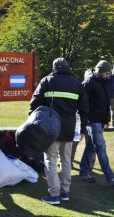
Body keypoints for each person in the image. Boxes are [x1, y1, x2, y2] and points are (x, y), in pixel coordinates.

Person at [29, 58, 88, 205]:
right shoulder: (77, 84)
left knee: (50, 160)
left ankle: (54, 194)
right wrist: (82, 130)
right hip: (69, 128)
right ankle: (65, 192)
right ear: (67, 67)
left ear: (54, 67)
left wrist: (33, 121)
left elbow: (34, 103)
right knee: (66, 161)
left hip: (50, 129)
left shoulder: (47, 81)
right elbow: (85, 110)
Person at [79, 60, 114, 188]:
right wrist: (87, 120)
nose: (108, 76)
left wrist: (106, 120)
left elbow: (106, 104)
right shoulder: (88, 83)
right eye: (106, 73)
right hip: (92, 121)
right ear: (100, 72)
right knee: (101, 148)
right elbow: (83, 104)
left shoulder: (106, 82)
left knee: (91, 147)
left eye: (109, 73)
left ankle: (84, 172)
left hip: (101, 121)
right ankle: (110, 177)